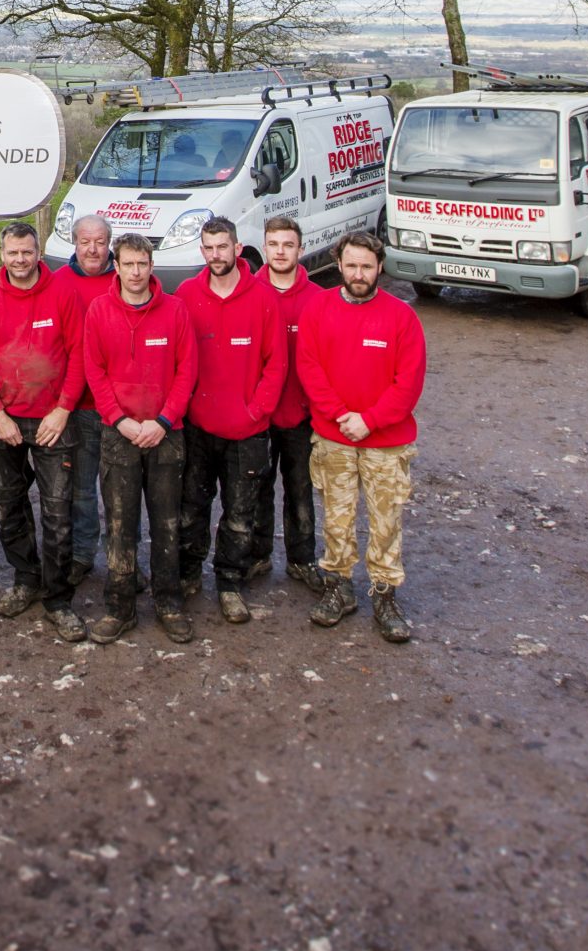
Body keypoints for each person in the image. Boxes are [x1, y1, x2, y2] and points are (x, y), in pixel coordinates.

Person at [297, 230, 426, 643]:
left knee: (386, 521)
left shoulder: (402, 317)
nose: (358, 274)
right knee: (337, 518)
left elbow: (408, 384)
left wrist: (369, 420)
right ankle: (338, 587)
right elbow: (310, 369)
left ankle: (385, 595)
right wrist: (339, 416)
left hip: (386, 443)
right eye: (351, 265)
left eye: (366, 267)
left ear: (379, 268)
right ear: (339, 264)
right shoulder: (318, 309)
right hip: (333, 438)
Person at [0, 221, 87, 643]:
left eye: (27, 252)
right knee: (9, 505)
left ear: (38, 252)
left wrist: (63, 409)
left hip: (53, 420)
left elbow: (79, 354)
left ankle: (57, 598)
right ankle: (26, 578)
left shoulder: (62, 293)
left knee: (58, 511)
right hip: (5, 422)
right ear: (2, 255)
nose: (20, 259)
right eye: (13, 253)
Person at [82, 231, 198, 645]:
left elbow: (187, 371)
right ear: (117, 266)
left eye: (142, 264)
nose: (135, 272)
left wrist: (164, 421)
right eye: (128, 264)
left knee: (167, 524)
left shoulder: (176, 311)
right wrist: (119, 420)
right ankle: (120, 607)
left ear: (152, 267)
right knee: (120, 525)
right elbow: (93, 370)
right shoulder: (98, 310)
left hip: (166, 434)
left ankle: (169, 604)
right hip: (119, 434)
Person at [175, 215, 286, 625]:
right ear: (201, 251)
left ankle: (229, 582)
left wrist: (256, 411)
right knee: (192, 508)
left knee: (240, 515)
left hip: (248, 432)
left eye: (223, 246)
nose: (216, 254)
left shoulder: (262, 298)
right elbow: (179, 358)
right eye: (209, 247)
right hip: (199, 427)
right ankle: (188, 575)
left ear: (238, 249)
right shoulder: (187, 294)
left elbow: (276, 364)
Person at [246, 216, 324, 592]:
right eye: (273, 244)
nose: (280, 251)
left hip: (300, 415)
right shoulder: (249, 293)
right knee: (257, 489)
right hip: (258, 416)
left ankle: (302, 558)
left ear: (300, 249)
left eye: (287, 244)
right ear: (265, 247)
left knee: (299, 490)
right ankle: (258, 554)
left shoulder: (317, 300)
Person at [53, 214, 116, 587]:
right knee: (81, 489)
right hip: (77, 406)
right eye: (85, 241)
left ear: (109, 243)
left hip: (118, 409)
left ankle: (122, 557)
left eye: (99, 241)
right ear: (74, 243)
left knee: (120, 491)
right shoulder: (59, 283)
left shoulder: (124, 278)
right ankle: (82, 554)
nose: (92, 249)